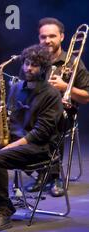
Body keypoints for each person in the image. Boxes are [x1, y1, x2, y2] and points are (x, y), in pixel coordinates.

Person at [0, 44, 64, 232]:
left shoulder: (51, 95)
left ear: (43, 68)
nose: (28, 68)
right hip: (13, 142)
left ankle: (3, 211)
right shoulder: (17, 87)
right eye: (27, 63)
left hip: (39, 148)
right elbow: (10, 117)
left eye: (34, 65)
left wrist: (9, 147)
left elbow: (40, 134)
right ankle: (4, 203)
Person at [27, 17, 89, 197]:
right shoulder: (34, 62)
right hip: (37, 112)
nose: (47, 41)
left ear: (62, 37)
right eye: (43, 37)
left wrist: (65, 87)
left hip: (65, 113)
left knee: (52, 121)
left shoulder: (74, 62)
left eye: (52, 36)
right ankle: (41, 171)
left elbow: (86, 96)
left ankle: (52, 175)